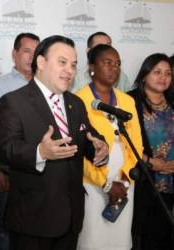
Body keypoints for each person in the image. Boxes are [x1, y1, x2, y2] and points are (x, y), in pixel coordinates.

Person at [0, 35, 109, 250]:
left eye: (74, 65)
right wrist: (39, 152)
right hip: (32, 219)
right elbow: (4, 151)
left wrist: (99, 149)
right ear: (41, 62)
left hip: (71, 217)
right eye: (62, 62)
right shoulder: (13, 102)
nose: (69, 70)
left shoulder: (76, 103)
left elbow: (88, 137)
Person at [75, 44, 143, 250]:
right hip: (91, 183)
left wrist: (125, 178)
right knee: (92, 240)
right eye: (107, 63)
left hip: (124, 180)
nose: (114, 68)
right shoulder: (78, 101)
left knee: (119, 241)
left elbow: (136, 143)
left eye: (118, 64)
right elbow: (79, 151)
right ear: (92, 67)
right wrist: (105, 183)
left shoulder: (127, 100)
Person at [0, 32, 40, 250]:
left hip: (39, 171)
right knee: (7, 228)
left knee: (35, 230)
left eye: (36, 53)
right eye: (26, 51)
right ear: (14, 54)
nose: (31, 57)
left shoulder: (46, 86)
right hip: (9, 172)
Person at [128, 53, 174, 250]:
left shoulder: (173, 101)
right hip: (144, 183)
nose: (163, 77)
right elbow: (122, 141)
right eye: (157, 72)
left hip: (171, 182)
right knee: (145, 238)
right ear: (144, 75)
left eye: (168, 73)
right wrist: (149, 161)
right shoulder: (129, 101)